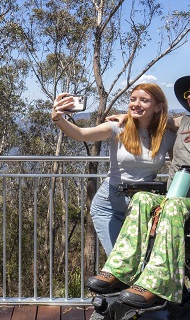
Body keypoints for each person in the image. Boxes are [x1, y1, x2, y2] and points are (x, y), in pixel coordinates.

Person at [85, 75, 190, 308]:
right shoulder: (182, 123)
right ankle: (120, 271)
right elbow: (151, 118)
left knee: (172, 205)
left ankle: (157, 285)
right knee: (141, 198)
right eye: (188, 94)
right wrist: (126, 118)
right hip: (175, 201)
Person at [51, 83, 177, 254]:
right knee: (119, 262)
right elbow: (81, 134)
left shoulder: (167, 135)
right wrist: (58, 118)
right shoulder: (117, 128)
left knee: (143, 263)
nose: (136, 104)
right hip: (108, 205)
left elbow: (185, 128)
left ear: (158, 106)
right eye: (133, 99)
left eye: (144, 100)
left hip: (142, 206)